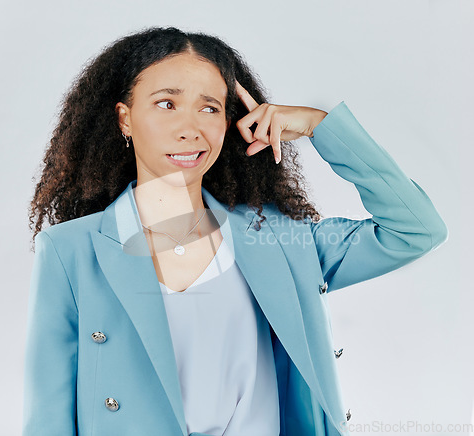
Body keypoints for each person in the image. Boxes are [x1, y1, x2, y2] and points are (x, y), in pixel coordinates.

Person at [24, 26, 448, 436]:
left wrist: (320, 126)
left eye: (209, 108)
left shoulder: (279, 240)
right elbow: (48, 415)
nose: (191, 127)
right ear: (125, 119)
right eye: (166, 103)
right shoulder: (70, 251)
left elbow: (415, 230)